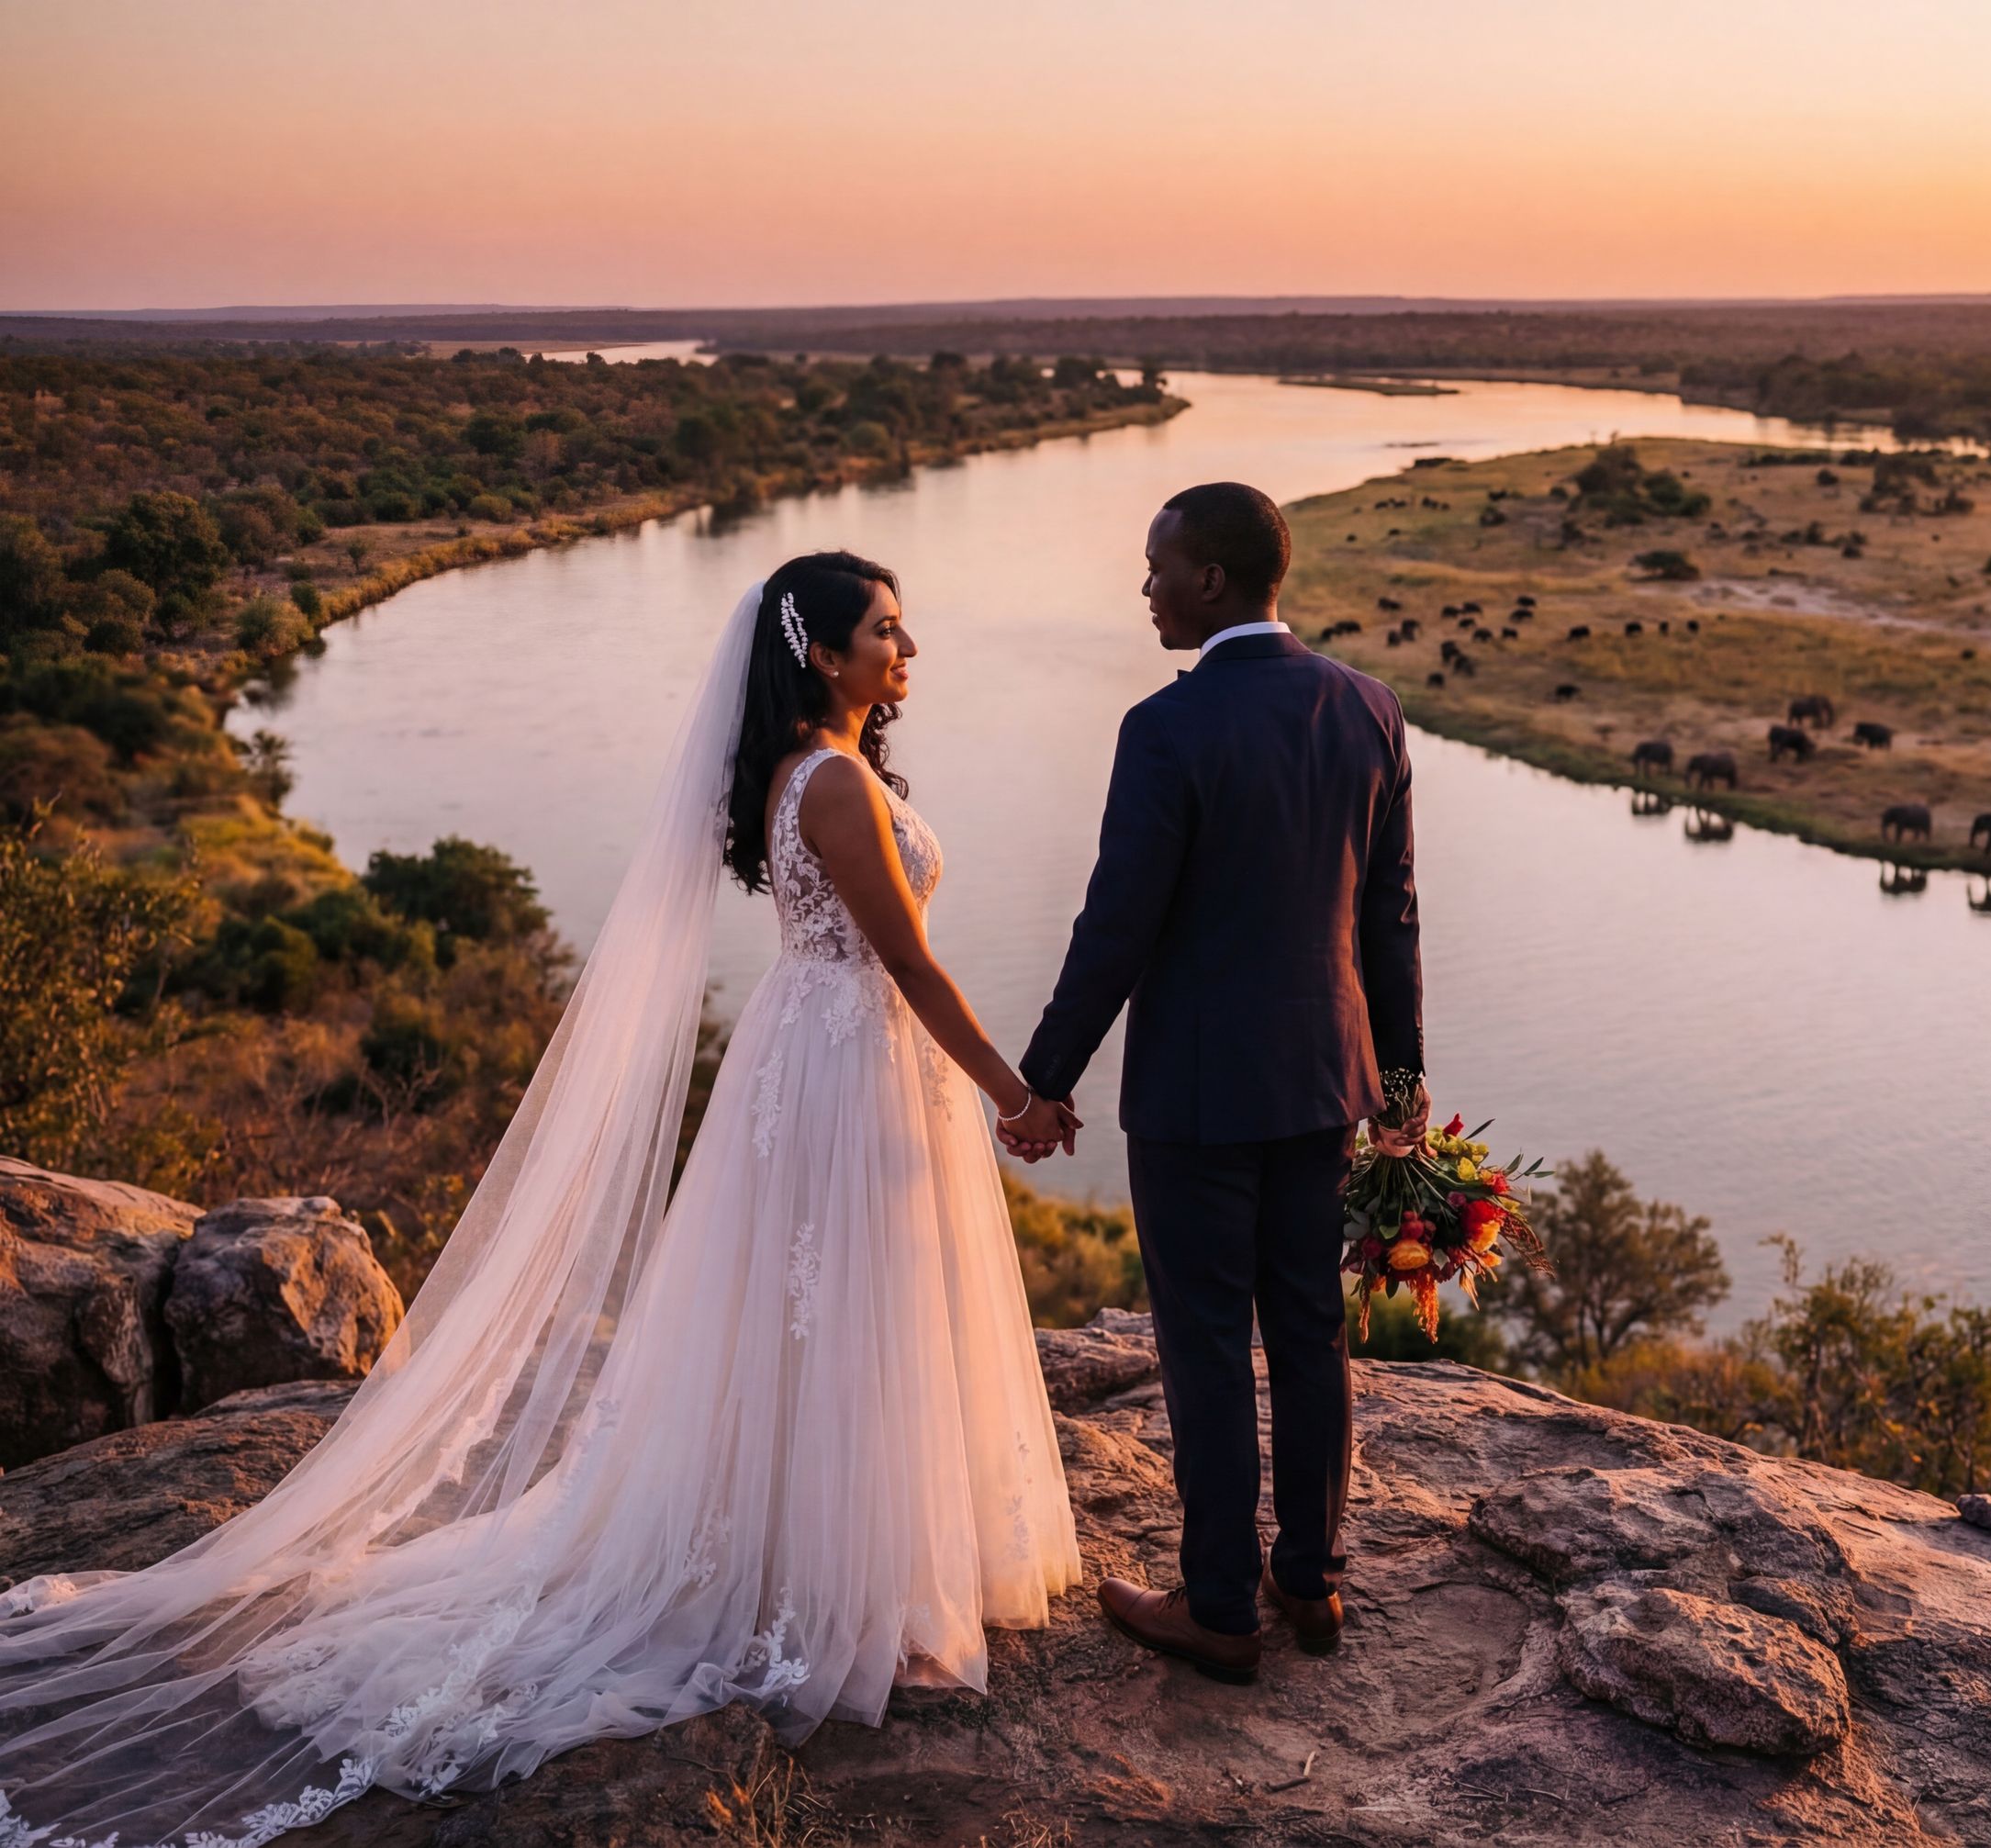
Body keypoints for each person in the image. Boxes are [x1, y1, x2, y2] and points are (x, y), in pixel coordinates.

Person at [0, 554, 1079, 1843]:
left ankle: (844, 1561)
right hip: (847, 1058)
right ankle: (841, 1590)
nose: (908, 650)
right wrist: (1020, 1094)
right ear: (821, 655)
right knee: (844, 1305)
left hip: (823, 1054)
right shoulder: (834, 779)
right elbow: (904, 958)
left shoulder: (805, 772)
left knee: (830, 1313)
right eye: (886, 631)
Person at [1013, 482, 1425, 1684]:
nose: (1143, 587)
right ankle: (1310, 1578)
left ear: (1208, 580)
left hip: (1197, 1097)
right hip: (1325, 1084)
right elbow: (1391, 921)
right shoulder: (1370, 709)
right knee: (1309, 1329)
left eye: (1155, 567)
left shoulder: (1167, 729)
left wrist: (1043, 1081)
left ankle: (1218, 1607)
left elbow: (1116, 929)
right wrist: (1399, 1088)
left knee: (1202, 1343)